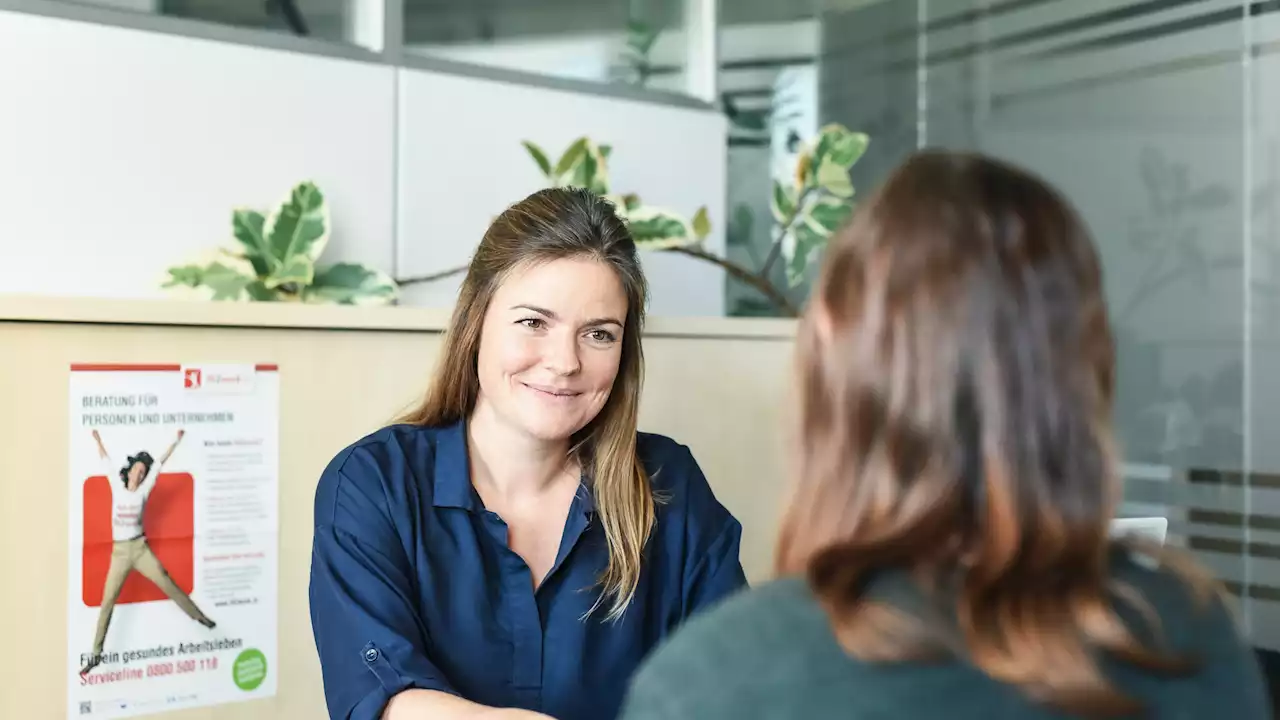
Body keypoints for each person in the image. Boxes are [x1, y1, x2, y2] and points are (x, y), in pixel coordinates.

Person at [617, 151, 1272, 719]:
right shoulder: (1185, 638)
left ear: (828, 370)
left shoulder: (717, 682)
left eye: (601, 332)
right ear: (1083, 368)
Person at [308, 187, 747, 720]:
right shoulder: (374, 483)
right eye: (534, 322)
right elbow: (385, 699)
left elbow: (736, 684)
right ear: (476, 323)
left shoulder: (670, 485)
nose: (565, 362)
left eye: (599, 334)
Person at [81, 428, 216, 677]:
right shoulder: (116, 486)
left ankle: (200, 618)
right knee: (107, 601)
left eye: (143, 472)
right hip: (120, 553)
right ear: (130, 470)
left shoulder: (144, 491)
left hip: (140, 549)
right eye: (137, 470)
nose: (140, 474)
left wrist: (175, 441)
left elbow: (160, 464)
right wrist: (98, 441)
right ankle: (95, 656)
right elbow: (105, 459)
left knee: (166, 581)